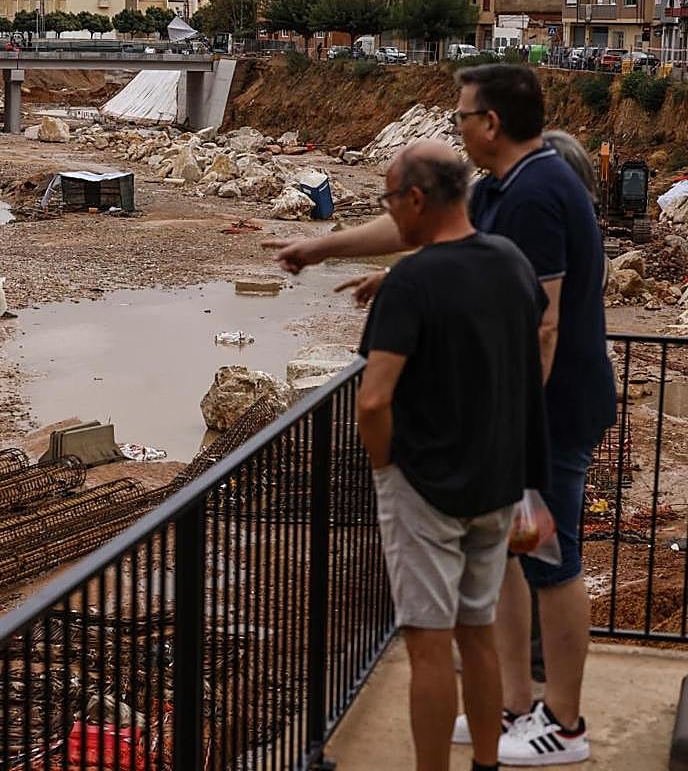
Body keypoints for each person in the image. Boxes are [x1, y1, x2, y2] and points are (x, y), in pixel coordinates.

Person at [263, 64, 614, 766]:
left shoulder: (537, 193)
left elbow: (540, 328)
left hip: (550, 415)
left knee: (552, 564)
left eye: (461, 115)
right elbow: (438, 240)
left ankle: (564, 724)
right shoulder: (503, 187)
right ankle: (513, 709)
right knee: (503, 582)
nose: (456, 125)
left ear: (490, 123)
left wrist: (514, 442)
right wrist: (331, 249)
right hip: (509, 436)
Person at [357, 140, 548, 771]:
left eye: (389, 200)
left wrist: (386, 473)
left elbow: (373, 400)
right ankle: (487, 765)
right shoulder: (511, 262)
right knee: (480, 636)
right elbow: (522, 368)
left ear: (415, 199)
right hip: (495, 483)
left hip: (426, 488)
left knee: (429, 648)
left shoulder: (410, 281)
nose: (391, 214)